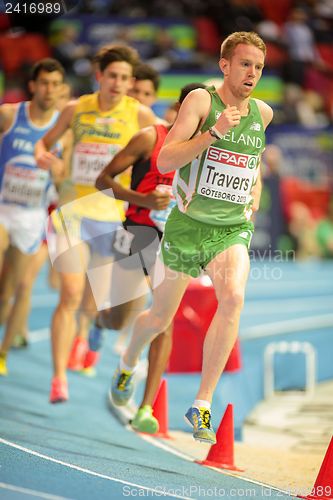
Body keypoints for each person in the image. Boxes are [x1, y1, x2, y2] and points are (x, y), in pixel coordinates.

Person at [110, 31, 273, 444]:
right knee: (159, 318)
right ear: (225, 65)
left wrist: (254, 190)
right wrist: (214, 133)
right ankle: (130, 360)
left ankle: (201, 404)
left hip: (231, 228)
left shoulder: (264, 114)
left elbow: (252, 164)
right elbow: (166, 158)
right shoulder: (201, 101)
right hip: (186, 227)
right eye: (244, 64)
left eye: (258, 65)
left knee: (233, 298)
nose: (252, 72)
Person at [35, 45, 156, 403]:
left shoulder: (141, 115)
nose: (118, 84)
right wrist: (46, 157)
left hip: (112, 219)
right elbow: (46, 142)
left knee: (94, 297)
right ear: (99, 75)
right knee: (69, 294)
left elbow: (165, 147)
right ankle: (58, 379)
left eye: (125, 78)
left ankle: (83, 336)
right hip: (73, 213)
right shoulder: (76, 108)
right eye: (113, 76)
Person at [90, 83, 207, 433]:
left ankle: (146, 407)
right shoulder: (148, 138)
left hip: (173, 240)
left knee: (163, 318)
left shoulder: (207, 151)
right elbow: (102, 180)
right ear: (181, 110)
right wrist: (140, 201)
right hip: (137, 231)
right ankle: (101, 322)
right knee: (118, 318)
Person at [67, 62, 164, 371]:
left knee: (130, 290)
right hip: (100, 211)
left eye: (146, 94)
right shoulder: (105, 116)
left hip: (130, 217)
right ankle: (82, 338)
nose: (139, 98)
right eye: (136, 91)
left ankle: (112, 329)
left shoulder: (157, 131)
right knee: (83, 287)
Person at [0, 58, 67, 376]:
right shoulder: (10, 115)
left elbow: (64, 180)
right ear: (33, 86)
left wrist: (57, 171)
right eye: (44, 83)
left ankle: (2, 354)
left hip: (31, 217)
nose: (49, 89)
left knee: (12, 290)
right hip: (3, 208)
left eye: (55, 84)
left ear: (61, 88)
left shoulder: (62, 131)